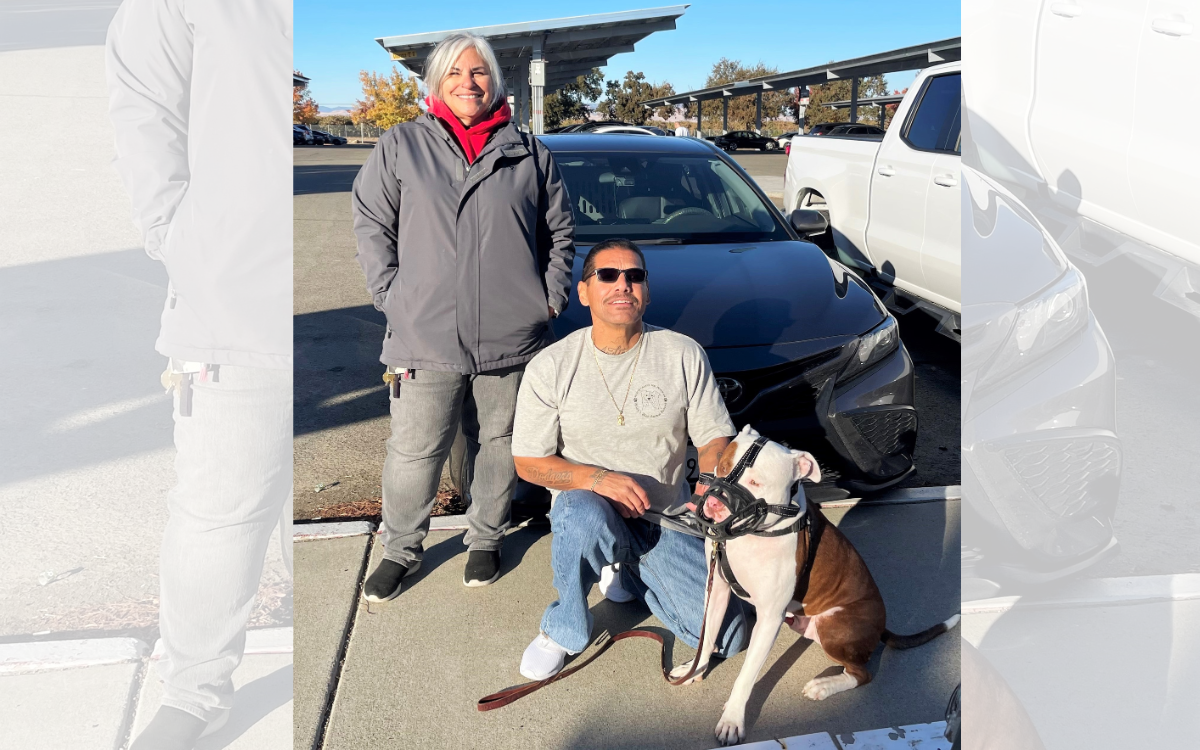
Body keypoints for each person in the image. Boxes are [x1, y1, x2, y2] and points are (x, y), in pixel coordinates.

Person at [106, 0, 293, 748]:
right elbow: (145, 112)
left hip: (328, 312)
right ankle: (195, 694)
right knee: (219, 513)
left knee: (297, 515)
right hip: (231, 304)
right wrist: (182, 240)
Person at [352, 32, 576, 600]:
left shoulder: (528, 154)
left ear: (494, 82)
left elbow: (559, 234)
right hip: (424, 333)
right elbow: (372, 224)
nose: (467, 83)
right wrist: (391, 295)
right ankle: (401, 548)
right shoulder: (402, 145)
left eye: (478, 73)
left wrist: (548, 298)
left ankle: (485, 538)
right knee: (415, 448)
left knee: (499, 440)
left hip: (512, 332)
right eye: (454, 74)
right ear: (436, 83)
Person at [511, 238, 751, 680]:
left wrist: (712, 481)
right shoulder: (551, 366)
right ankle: (563, 627)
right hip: (587, 506)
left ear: (647, 290)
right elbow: (528, 462)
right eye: (607, 275)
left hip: (664, 516)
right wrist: (598, 478)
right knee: (582, 515)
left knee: (729, 637)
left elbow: (715, 438)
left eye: (634, 276)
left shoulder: (682, 353)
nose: (623, 285)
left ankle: (631, 570)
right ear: (583, 293)